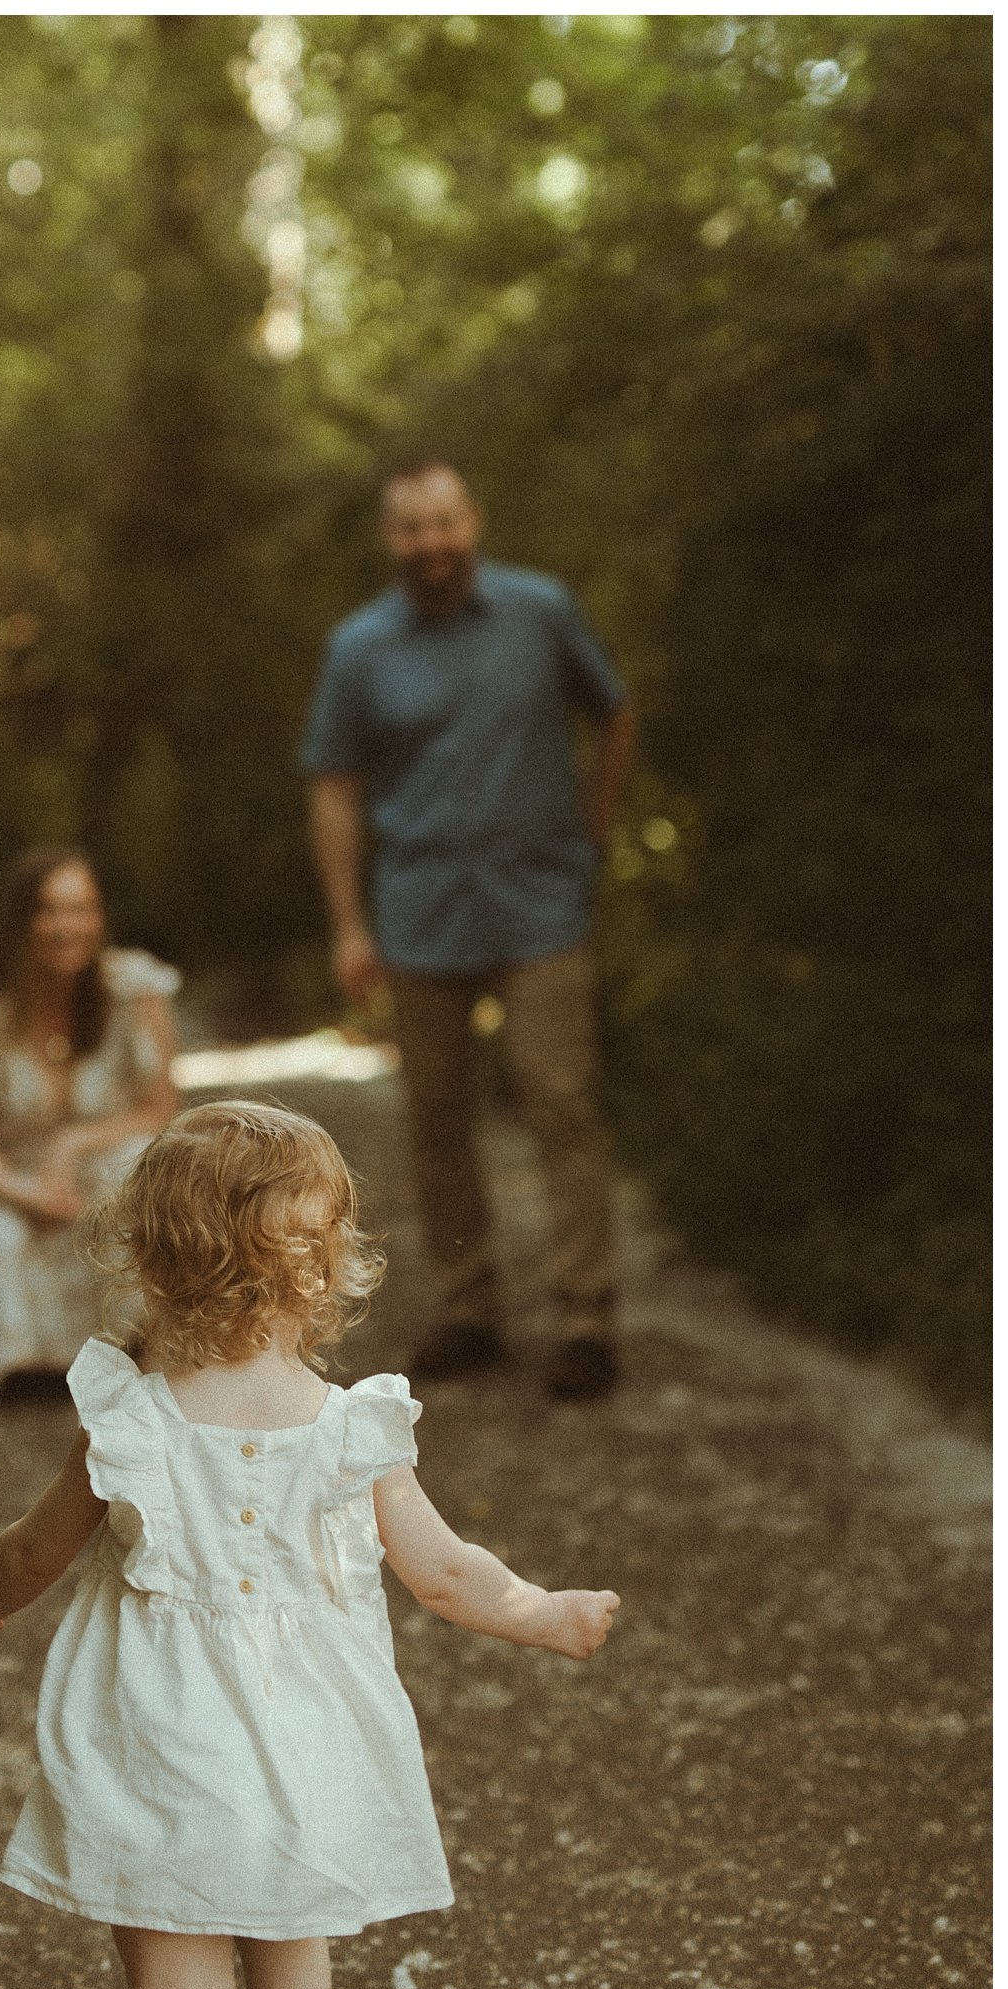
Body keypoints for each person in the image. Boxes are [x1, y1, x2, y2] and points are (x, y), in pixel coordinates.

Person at [0, 1101, 621, 1989]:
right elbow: (446, 1575)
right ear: (325, 1268)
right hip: (305, 1743)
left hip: (156, 1738)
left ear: (146, 1260)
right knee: (293, 1953)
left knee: (178, 1984)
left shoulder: (129, 1419)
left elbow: (35, 1549)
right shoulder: (354, 1431)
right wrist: (546, 1613)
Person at [301, 458, 636, 1401]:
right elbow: (333, 787)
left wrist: (593, 837)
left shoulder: (540, 612)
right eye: (410, 528)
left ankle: (585, 1319)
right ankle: (469, 1307)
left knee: (559, 1102)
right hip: (418, 916)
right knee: (436, 1117)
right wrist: (346, 924)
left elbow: (614, 714)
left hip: (540, 907)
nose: (430, 544)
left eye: (443, 523)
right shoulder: (358, 648)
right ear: (389, 538)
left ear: (472, 521)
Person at [0, 848, 179, 1400]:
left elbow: (160, 1107)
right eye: (51, 911)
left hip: (106, 1165)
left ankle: (139, 1348)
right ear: (22, 920)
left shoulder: (133, 990)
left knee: (134, 1171)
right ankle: (26, 1363)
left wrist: (73, 1143)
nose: (69, 927)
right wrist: (31, 1192)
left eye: (84, 909)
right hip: (15, 1179)